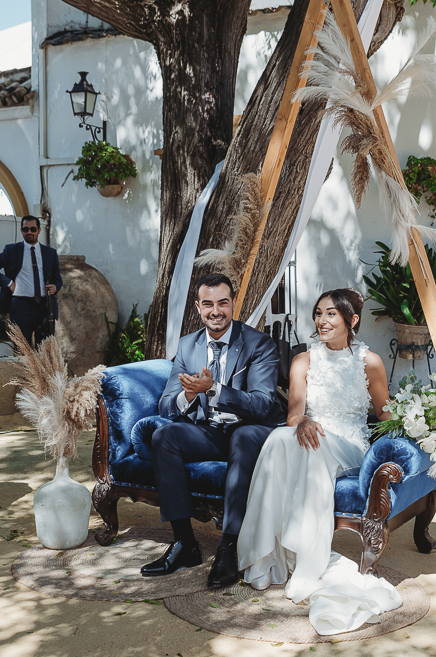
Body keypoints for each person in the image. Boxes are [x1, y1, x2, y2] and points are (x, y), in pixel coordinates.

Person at [237, 288, 402, 635]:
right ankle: (266, 553)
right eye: (318, 313)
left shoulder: (370, 362)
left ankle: (309, 563)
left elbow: (384, 413)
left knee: (313, 447)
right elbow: (294, 415)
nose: (322, 321)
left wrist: (411, 428)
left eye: (331, 314)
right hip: (311, 433)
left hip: (350, 443)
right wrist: (304, 422)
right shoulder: (303, 360)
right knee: (278, 438)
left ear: (351, 320)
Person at [140, 272, 286, 587]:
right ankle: (184, 544)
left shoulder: (258, 343)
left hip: (253, 430)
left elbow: (262, 404)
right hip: (212, 431)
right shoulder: (187, 345)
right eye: (208, 304)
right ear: (198, 307)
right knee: (164, 436)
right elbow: (166, 405)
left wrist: (213, 389)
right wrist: (188, 395)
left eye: (223, 303)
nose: (216, 311)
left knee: (242, 437)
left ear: (233, 304)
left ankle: (228, 548)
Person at [0, 216, 62, 347]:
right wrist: (8, 283)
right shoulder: (11, 250)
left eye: (33, 229)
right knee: (22, 349)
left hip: (45, 307)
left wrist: (55, 286)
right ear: (21, 230)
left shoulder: (50, 253)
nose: (29, 232)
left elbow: (57, 278)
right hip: (20, 306)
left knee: (45, 350)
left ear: (39, 230)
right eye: (25, 229)